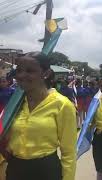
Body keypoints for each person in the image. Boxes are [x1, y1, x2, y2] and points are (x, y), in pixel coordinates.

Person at [2, 52, 77, 180]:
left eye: (30, 71)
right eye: (19, 70)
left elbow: (69, 152)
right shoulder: (14, 103)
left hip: (45, 171)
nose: (21, 75)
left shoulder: (62, 105)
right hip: (15, 169)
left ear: (46, 74)